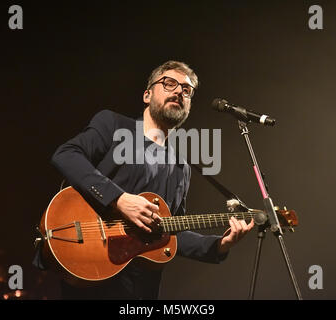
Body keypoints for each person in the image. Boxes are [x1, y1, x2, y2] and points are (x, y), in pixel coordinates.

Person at [46, 60, 255, 299]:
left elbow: (171, 229)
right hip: (93, 269)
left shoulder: (182, 167)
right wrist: (119, 199)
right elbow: (66, 155)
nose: (179, 91)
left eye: (187, 90)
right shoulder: (113, 125)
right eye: (169, 84)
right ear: (147, 95)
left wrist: (219, 245)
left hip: (141, 289)